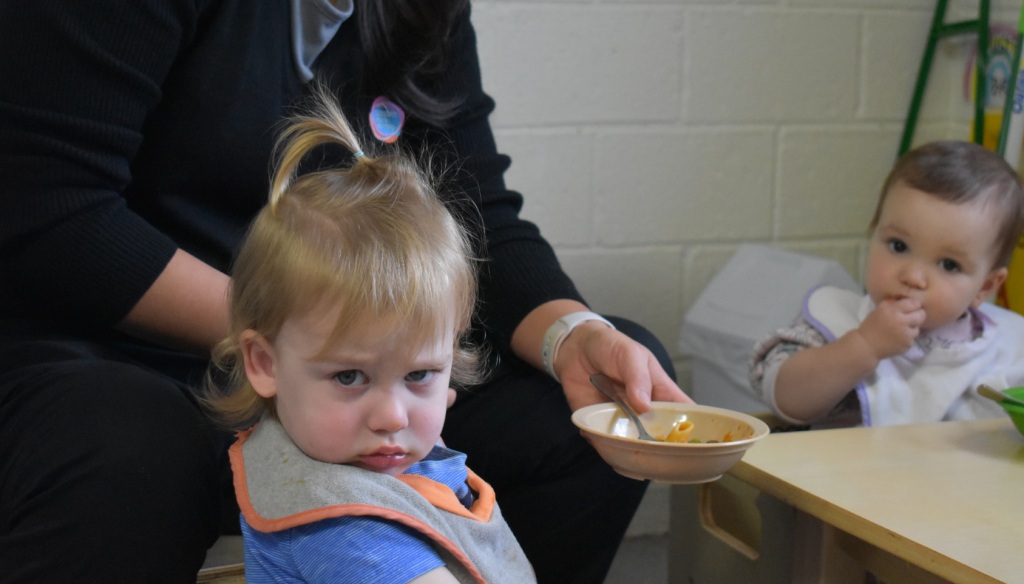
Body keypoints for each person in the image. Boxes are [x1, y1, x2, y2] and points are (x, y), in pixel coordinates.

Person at [0, 1, 690, 582]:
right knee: (125, 440)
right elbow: (52, 209)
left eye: (427, 376)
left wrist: (572, 333)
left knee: (595, 405)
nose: (396, 417)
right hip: (115, 354)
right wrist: (309, 343)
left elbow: (479, 209)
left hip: (333, 354)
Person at [204, 91, 535, 584]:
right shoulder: (344, 530)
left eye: (419, 374)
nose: (392, 416)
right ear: (264, 364)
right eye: (350, 376)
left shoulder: (354, 457)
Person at [750, 140, 1024, 428]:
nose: (913, 277)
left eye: (948, 265)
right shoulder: (835, 323)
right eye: (898, 246)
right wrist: (864, 346)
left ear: (985, 287)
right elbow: (786, 400)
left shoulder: (1009, 346)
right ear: (874, 233)